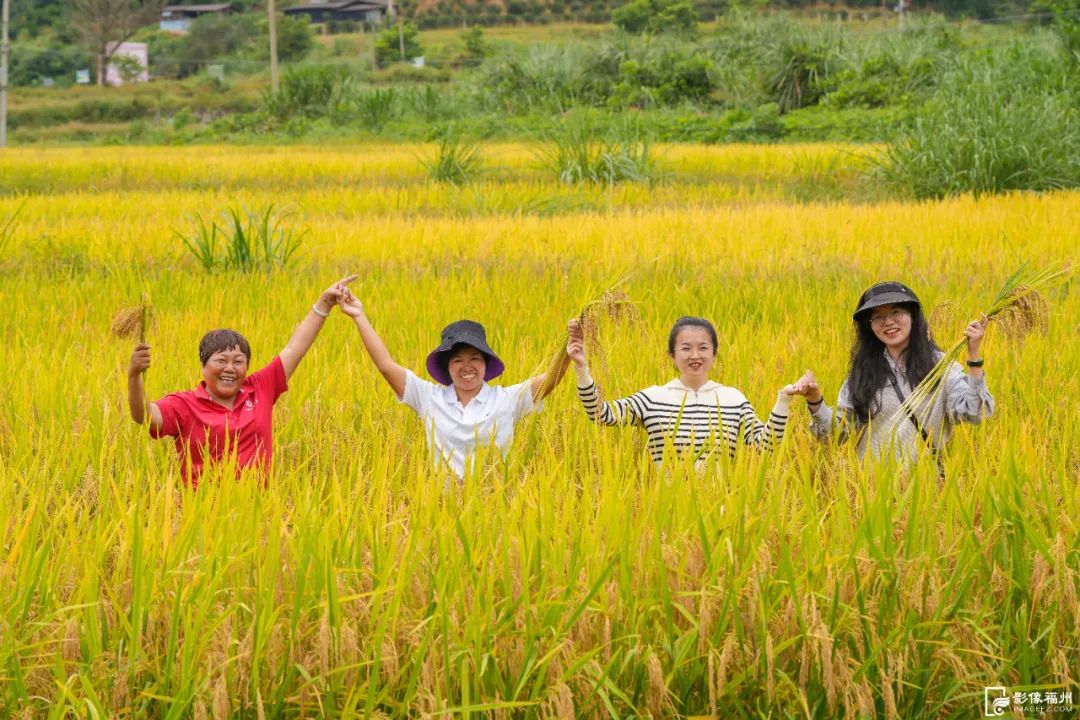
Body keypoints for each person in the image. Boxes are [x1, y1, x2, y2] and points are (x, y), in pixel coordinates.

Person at [126, 276, 356, 487]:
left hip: (256, 511)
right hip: (202, 511)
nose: (230, 368)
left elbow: (295, 348)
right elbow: (144, 416)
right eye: (221, 360)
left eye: (238, 361)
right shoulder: (183, 404)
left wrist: (324, 304)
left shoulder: (260, 388)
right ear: (203, 366)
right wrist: (134, 375)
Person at [338, 287, 570, 480]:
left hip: (496, 500)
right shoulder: (429, 397)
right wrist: (359, 316)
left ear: (485, 365)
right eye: (457, 360)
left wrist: (570, 349)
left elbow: (550, 379)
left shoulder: (506, 399)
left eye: (474, 359)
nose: (466, 367)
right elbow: (385, 365)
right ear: (447, 368)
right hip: (442, 504)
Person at [566, 315, 813, 466]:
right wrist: (581, 367)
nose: (695, 355)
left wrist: (783, 400)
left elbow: (764, 446)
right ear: (672, 356)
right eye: (685, 348)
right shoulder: (653, 397)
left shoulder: (732, 399)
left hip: (720, 513)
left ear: (714, 354)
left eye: (703, 348)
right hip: (666, 512)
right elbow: (601, 414)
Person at [803, 281, 994, 465]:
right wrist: (815, 400)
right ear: (869, 326)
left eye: (896, 312)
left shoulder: (941, 367)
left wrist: (974, 356)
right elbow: (837, 435)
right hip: (872, 489)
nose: (888, 322)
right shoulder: (863, 373)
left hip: (926, 487)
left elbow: (975, 413)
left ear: (912, 316)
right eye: (878, 317)